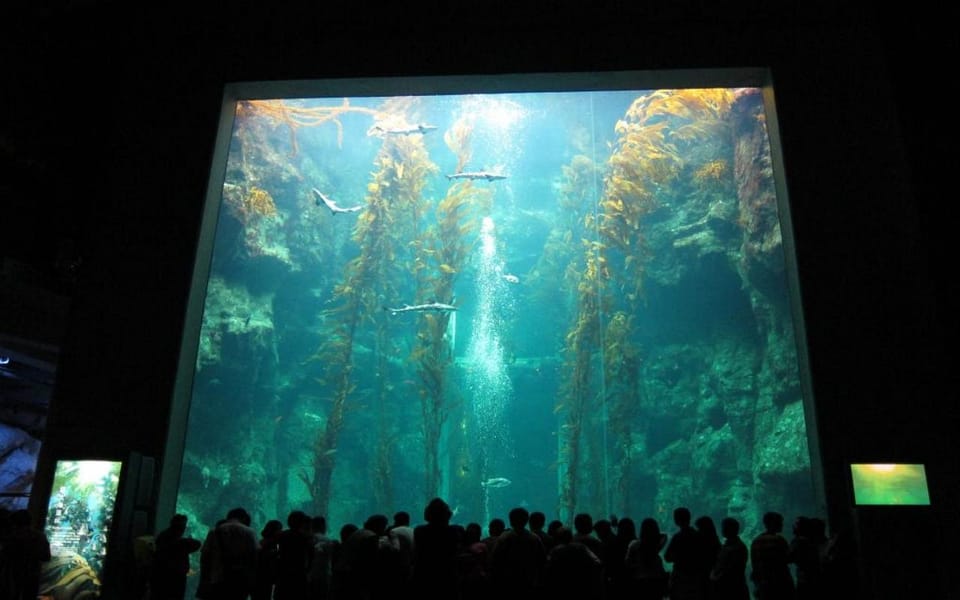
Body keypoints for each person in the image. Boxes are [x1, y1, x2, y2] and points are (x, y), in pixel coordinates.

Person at [199, 507, 259, 600]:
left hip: (217, 578)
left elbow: (205, 556)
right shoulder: (249, 532)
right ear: (243, 518)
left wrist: (204, 578)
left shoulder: (214, 531)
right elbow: (256, 556)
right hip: (240, 579)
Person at [489, 506, 546, 593]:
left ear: (511, 521)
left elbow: (495, 559)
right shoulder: (535, 538)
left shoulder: (504, 537)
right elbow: (542, 559)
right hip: (529, 580)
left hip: (507, 580)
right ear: (527, 521)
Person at [0, 509, 51, 600]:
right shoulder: (40, 537)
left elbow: (4, 557)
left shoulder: (11, 537)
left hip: (12, 577)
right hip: (32, 576)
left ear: (14, 523)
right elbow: (46, 557)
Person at [149, 513, 202, 600]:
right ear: (180, 527)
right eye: (184, 526)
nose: (185, 528)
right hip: (174, 578)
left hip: (160, 575)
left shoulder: (163, 536)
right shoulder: (177, 541)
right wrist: (188, 540)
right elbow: (197, 544)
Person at [750, 511, 794, 600]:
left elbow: (754, 564)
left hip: (764, 584)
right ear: (773, 523)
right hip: (780, 583)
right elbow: (788, 558)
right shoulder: (779, 540)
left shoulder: (756, 541)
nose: (782, 524)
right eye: (779, 522)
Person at [625, 517, 669, 600]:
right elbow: (665, 535)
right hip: (657, 581)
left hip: (640, 581)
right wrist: (654, 535)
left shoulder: (634, 545)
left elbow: (627, 563)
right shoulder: (656, 546)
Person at [664, 507, 703, 599]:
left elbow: (667, 557)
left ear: (676, 520)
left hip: (679, 576)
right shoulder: (698, 535)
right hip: (696, 576)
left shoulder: (677, 537)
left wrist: (678, 558)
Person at [710, 517, 749, 600]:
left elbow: (730, 569)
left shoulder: (737, 547)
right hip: (726, 587)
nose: (722, 529)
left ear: (730, 529)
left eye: (724, 527)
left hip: (733, 589)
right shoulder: (728, 546)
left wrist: (715, 578)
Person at [253, 519, 283, 600]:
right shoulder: (266, 543)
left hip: (263, 579)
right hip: (262, 579)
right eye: (279, 529)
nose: (281, 532)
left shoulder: (267, 542)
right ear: (274, 531)